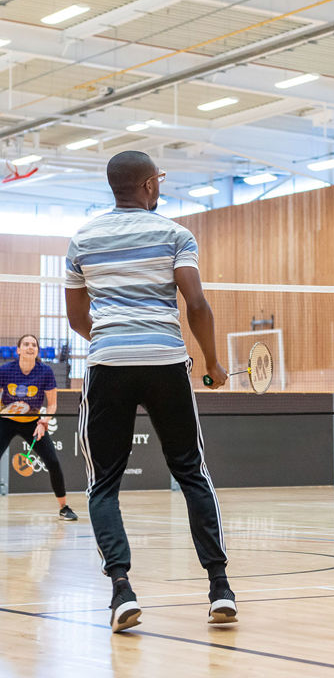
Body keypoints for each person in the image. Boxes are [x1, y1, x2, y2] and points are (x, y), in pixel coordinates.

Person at [65, 150, 236, 633]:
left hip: (109, 366)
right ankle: (220, 588)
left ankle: (122, 591)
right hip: (165, 363)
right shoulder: (175, 235)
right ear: (146, 187)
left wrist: (114, 339)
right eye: (157, 180)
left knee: (103, 484)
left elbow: (79, 319)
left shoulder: (82, 239)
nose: (159, 186)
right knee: (191, 472)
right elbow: (197, 304)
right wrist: (212, 362)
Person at [0, 334, 78, 521]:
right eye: (26, 344)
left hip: (32, 423)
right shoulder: (5, 370)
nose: (30, 347)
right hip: (6, 420)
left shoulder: (45, 372)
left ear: (37, 351)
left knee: (53, 462)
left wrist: (44, 421)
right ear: (18, 350)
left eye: (33, 345)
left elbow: (52, 404)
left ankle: (64, 507)